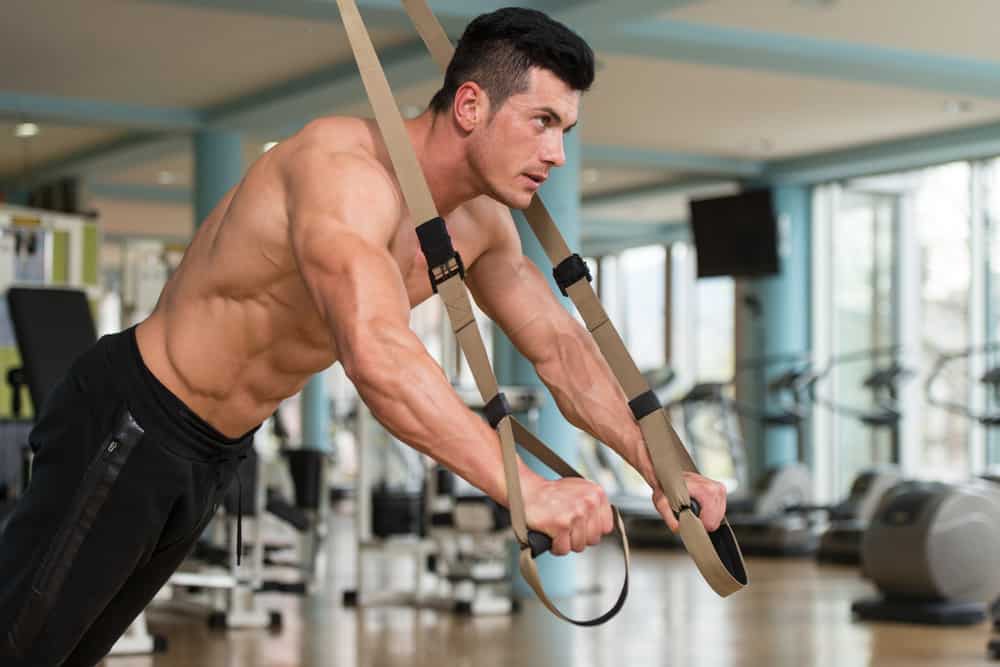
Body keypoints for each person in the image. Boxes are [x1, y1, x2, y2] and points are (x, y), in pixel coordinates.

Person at [0, 7, 726, 666]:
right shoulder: (344, 174)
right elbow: (376, 353)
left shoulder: (476, 225)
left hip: (213, 451)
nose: (557, 152)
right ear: (471, 104)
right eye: (541, 121)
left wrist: (663, 467)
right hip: (135, 418)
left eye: (564, 130)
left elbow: (560, 349)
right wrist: (526, 491)